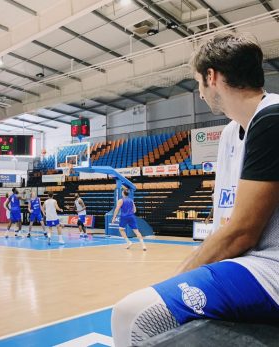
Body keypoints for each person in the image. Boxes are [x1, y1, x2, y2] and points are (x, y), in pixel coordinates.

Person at [112, 33, 279, 346]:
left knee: (131, 314)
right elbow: (225, 225)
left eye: (198, 83)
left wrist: (177, 280)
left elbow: (242, 232)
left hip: (272, 269)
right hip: (250, 265)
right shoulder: (231, 132)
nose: (200, 94)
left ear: (212, 77)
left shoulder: (272, 117)